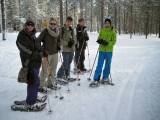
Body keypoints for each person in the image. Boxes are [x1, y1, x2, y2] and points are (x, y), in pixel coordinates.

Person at [16, 20, 44, 108]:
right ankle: (30, 102)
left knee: (36, 81)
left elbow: (37, 46)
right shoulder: (22, 35)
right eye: (28, 25)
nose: (30, 26)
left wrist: (43, 51)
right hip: (28, 62)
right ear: (25, 25)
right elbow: (22, 47)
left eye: (32, 25)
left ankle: (33, 97)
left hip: (36, 62)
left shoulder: (33, 36)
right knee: (33, 81)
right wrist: (34, 53)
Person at [90, 18, 116, 87]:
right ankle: (96, 79)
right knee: (99, 65)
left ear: (110, 24)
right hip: (101, 50)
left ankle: (105, 77)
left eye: (108, 23)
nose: (107, 24)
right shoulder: (102, 30)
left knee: (107, 65)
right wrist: (100, 41)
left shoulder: (113, 31)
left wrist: (108, 43)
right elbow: (99, 38)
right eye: (106, 23)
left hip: (109, 51)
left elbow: (114, 41)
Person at [38, 18, 61, 92]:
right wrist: (42, 50)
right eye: (51, 23)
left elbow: (59, 40)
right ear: (49, 24)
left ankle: (50, 84)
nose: (53, 25)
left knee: (53, 70)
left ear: (56, 24)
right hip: (46, 54)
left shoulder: (57, 31)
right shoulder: (45, 31)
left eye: (54, 24)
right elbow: (38, 41)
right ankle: (41, 86)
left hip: (55, 53)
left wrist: (59, 46)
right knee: (45, 70)